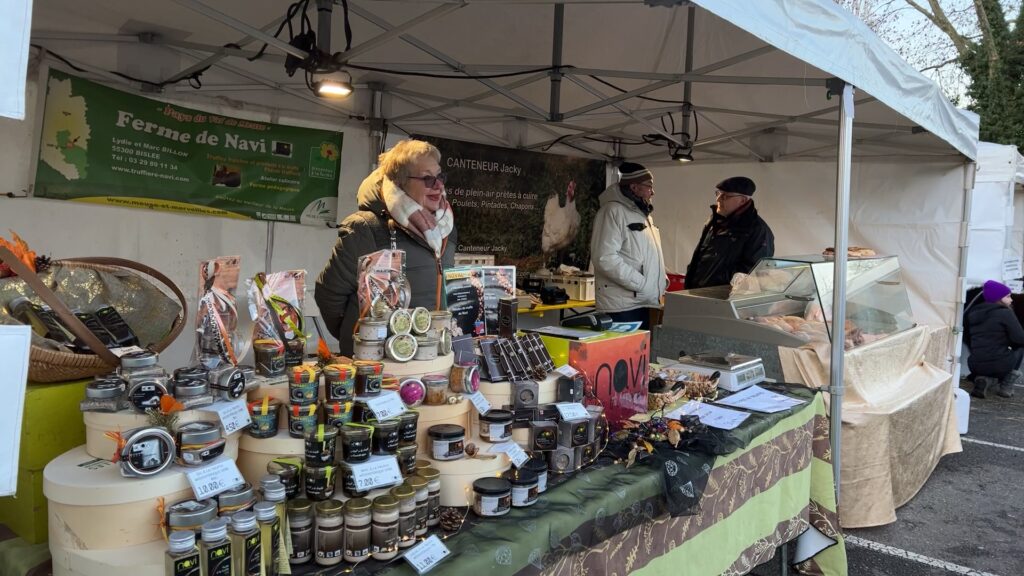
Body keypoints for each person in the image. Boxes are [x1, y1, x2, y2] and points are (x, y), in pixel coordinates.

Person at [315, 139, 457, 355]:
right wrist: (357, 332)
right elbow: (329, 295)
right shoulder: (365, 228)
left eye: (440, 177)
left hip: (431, 358)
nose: (438, 186)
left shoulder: (446, 228)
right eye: (428, 178)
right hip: (378, 362)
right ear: (401, 182)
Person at [590, 162, 667, 330]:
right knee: (622, 355)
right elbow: (604, 258)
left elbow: (644, 256)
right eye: (649, 187)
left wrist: (661, 282)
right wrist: (642, 284)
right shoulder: (612, 211)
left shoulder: (642, 215)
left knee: (639, 354)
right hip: (621, 308)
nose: (652, 192)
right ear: (633, 187)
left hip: (641, 302)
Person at [685, 176, 774, 290]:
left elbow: (753, 272)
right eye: (718, 193)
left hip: (724, 299)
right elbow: (698, 258)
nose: (718, 199)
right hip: (697, 294)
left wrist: (715, 285)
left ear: (743, 200)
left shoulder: (758, 230)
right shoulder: (713, 222)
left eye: (725, 196)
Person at [965, 280, 1024, 399]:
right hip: (999, 364)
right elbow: (1019, 338)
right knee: (1020, 348)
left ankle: (984, 380)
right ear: (999, 298)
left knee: (989, 354)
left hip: (974, 365)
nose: (1011, 300)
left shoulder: (973, 313)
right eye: (1008, 296)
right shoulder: (1005, 313)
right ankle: (1006, 386)